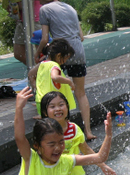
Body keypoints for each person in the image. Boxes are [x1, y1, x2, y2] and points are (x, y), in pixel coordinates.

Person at [35, 0, 95, 140]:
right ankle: (88, 131)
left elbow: (44, 39)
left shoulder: (45, 9)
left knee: (53, 88)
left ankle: (51, 120)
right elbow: (81, 37)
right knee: (80, 93)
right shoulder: (71, 8)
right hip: (76, 51)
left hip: (59, 53)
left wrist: (37, 53)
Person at [34, 39, 76, 118]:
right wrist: (69, 82)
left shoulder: (42, 64)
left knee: (47, 124)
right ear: (58, 56)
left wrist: (35, 86)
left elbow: (30, 74)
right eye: (65, 58)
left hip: (41, 101)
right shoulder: (54, 65)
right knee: (56, 123)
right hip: (52, 102)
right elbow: (55, 77)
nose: (65, 61)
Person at [2, 0, 42, 65]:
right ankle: (36, 70)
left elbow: (24, 5)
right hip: (22, 20)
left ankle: (41, 70)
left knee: (40, 51)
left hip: (34, 19)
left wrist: (14, 5)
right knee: (18, 53)